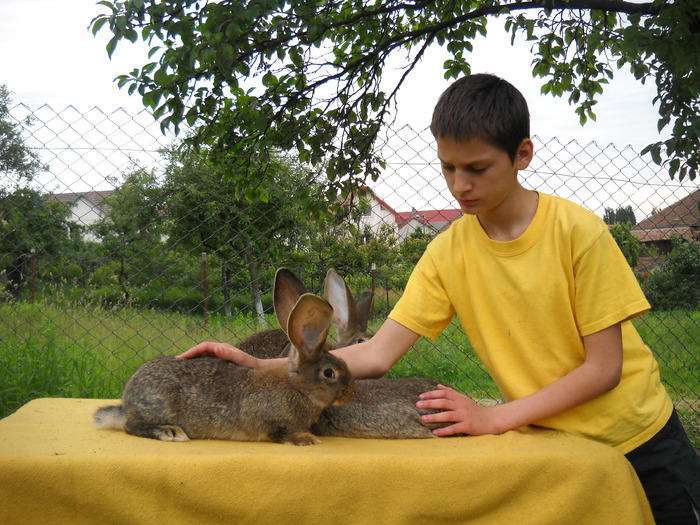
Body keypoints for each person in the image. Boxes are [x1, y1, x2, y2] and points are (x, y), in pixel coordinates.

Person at [179, 73, 700, 524]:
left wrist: (495, 417)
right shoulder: (449, 251)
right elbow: (378, 353)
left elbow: (603, 368)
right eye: (448, 167)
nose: (459, 185)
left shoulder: (577, 233)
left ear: (523, 154)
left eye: (476, 168)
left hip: (639, 438)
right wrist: (263, 363)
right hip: (549, 441)